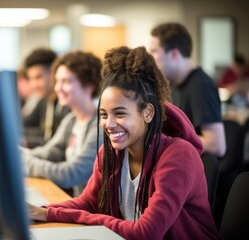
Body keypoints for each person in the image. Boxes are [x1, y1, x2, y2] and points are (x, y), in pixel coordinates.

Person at [29, 46, 222, 239]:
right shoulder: (110, 153)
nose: (109, 124)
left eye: (120, 113)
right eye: (104, 114)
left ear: (147, 113)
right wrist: (42, 211)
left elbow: (146, 233)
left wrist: (85, 217)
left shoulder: (178, 155)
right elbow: (87, 203)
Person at [22, 50, 103, 196]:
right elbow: (51, 152)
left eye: (66, 81)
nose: (58, 88)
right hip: (77, 204)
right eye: (57, 81)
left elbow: (71, 173)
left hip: (94, 212)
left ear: (89, 84)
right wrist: (19, 155)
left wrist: (25, 162)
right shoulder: (71, 120)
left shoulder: (99, 126)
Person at [149, 22, 226, 157]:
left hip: (192, 168)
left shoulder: (201, 86)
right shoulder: (171, 84)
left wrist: (167, 139)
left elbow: (217, 145)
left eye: (154, 51)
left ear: (174, 54)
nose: (151, 58)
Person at [21, 48, 70, 148]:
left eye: (38, 77)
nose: (33, 85)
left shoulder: (67, 106)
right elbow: (44, 134)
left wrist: (24, 142)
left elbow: (58, 146)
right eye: (30, 79)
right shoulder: (45, 101)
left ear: (54, 73)